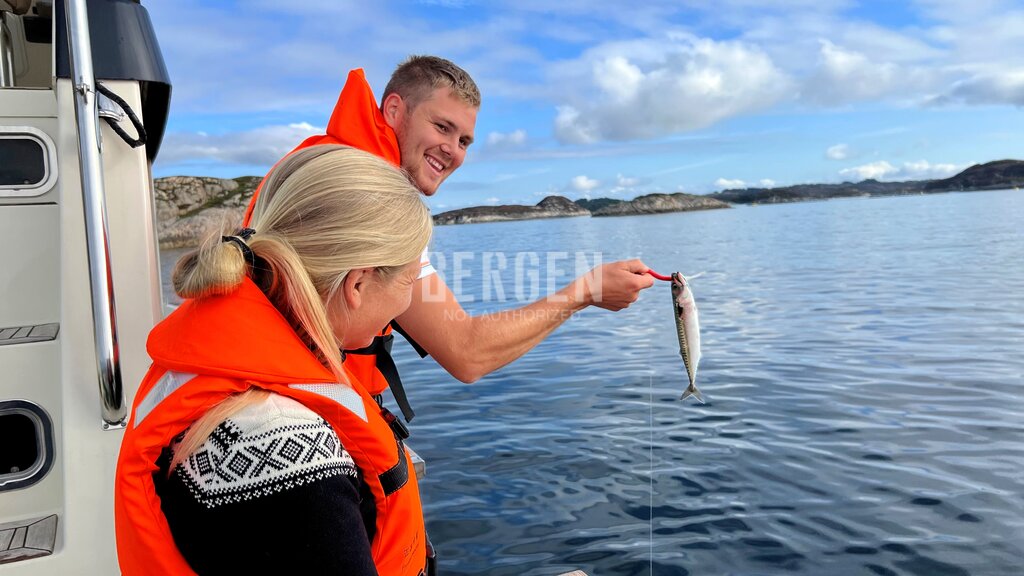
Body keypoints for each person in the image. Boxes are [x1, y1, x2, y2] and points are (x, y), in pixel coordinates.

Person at [244, 55, 655, 421]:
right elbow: (467, 352)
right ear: (394, 109)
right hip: (300, 410)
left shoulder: (319, 168)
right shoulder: (372, 203)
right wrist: (585, 292)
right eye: (442, 127)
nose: (453, 151)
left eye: (464, 141)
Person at [115, 146, 434, 575]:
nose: (407, 301)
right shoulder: (286, 451)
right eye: (410, 280)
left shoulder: (220, 365)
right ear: (357, 284)